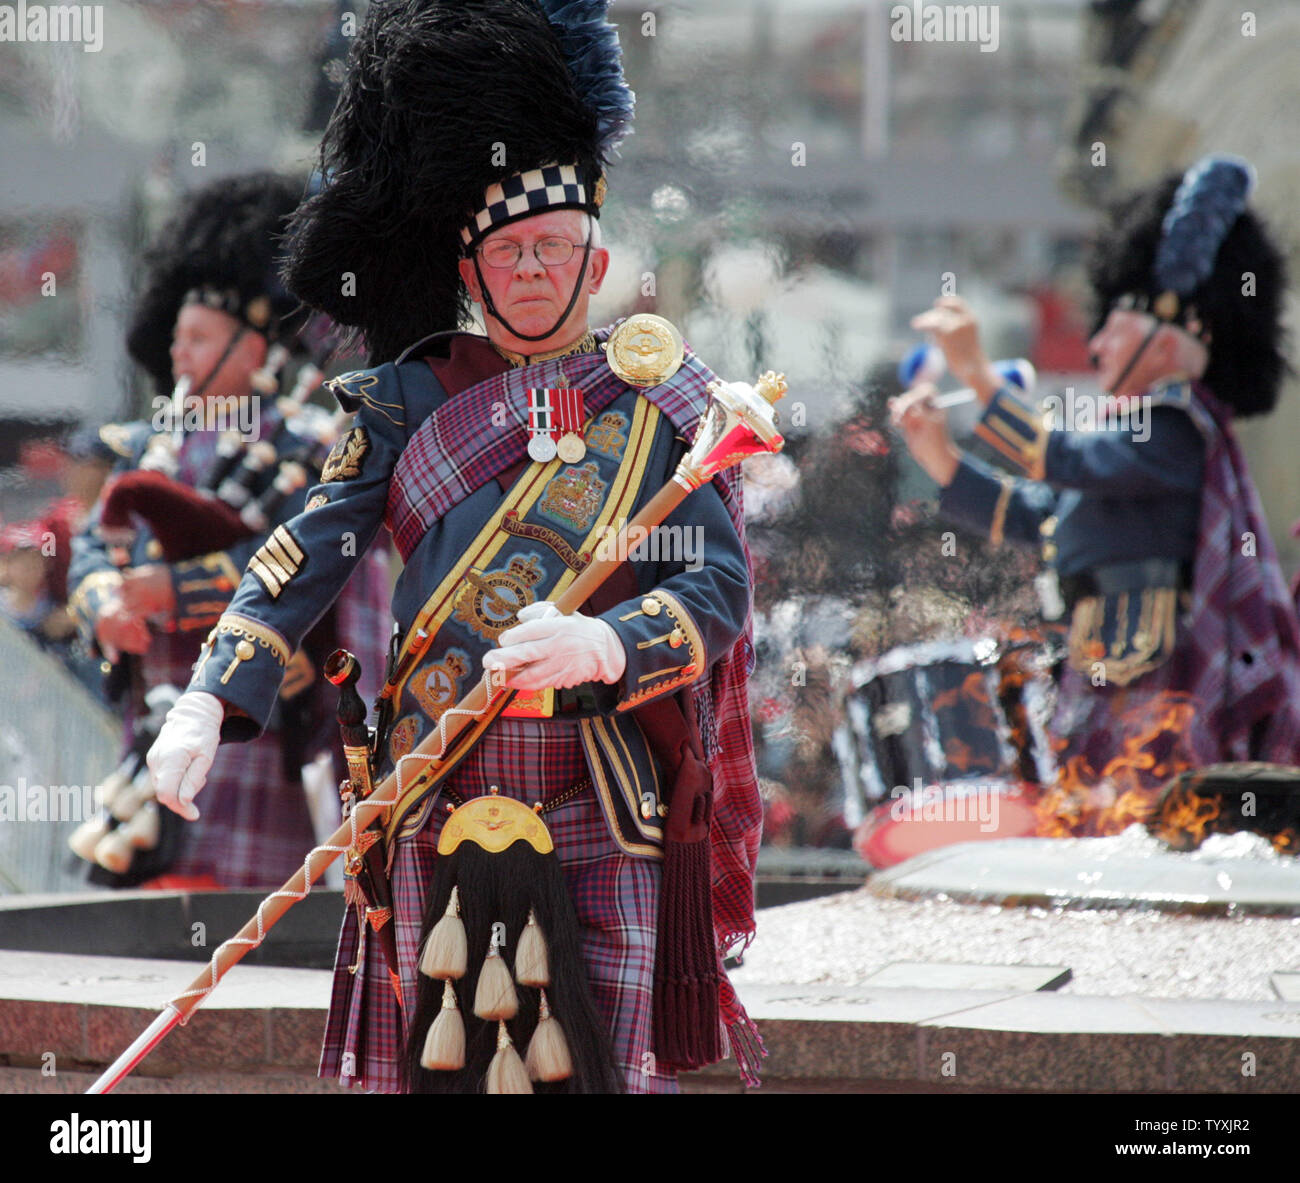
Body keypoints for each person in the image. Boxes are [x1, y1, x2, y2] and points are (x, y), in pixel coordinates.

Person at [145, 0, 763, 1093]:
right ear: (468, 269)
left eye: (556, 248)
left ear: (598, 259)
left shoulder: (662, 400)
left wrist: (607, 645)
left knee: (600, 1075)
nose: (532, 270)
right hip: (433, 782)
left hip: (604, 782)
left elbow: (717, 584)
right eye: (509, 249)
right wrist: (211, 691)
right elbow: (310, 546)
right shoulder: (405, 397)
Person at [891, 155, 1300, 784]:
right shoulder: (1140, 433)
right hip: (1107, 671)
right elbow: (1043, 515)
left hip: (1165, 688)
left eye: (1115, 323)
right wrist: (942, 459)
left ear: (1172, 333)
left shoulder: (1177, 423)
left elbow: (1063, 459)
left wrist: (978, 374)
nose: (1098, 342)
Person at [67, 172, 391, 889]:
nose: (176, 355)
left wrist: (168, 591)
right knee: (138, 915)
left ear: (251, 347)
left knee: (240, 927)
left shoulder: (311, 445)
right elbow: (92, 545)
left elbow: (300, 558)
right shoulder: (147, 445)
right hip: (146, 718)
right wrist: (104, 604)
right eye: (176, 337)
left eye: (197, 338)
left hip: (251, 722)